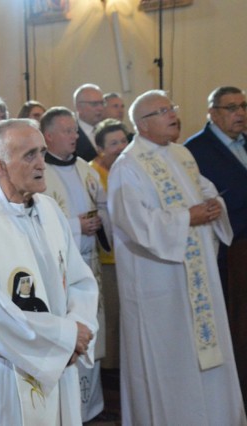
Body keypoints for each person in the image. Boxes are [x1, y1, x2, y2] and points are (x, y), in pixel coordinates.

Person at [108, 89, 246, 425]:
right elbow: (136, 225)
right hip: (159, 285)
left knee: (207, 357)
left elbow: (205, 193)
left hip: (196, 280)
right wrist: (188, 218)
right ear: (141, 124)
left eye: (172, 108)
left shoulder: (182, 154)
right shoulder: (128, 166)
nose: (173, 114)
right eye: (162, 111)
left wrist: (216, 207)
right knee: (169, 361)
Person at [0, 118, 99, 425]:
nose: (42, 164)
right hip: (7, 377)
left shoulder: (50, 211)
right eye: (29, 155)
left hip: (60, 363)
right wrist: (65, 337)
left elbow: (80, 281)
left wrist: (79, 326)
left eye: (42, 153)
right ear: (1, 167)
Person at [39, 106, 109, 422]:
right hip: (59, 271)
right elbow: (37, 224)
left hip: (89, 265)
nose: (74, 136)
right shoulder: (40, 172)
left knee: (90, 336)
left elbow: (105, 210)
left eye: (75, 131)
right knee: (70, 337)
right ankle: (69, 414)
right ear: (48, 136)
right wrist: (77, 225)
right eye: (67, 131)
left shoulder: (86, 169)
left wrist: (100, 218)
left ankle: (91, 409)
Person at [184, 85, 247, 404]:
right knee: (238, 324)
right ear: (212, 113)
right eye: (231, 108)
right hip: (231, 250)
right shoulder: (195, 150)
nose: (240, 113)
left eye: (243, 106)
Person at [88, 118, 128, 372]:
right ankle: (111, 375)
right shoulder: (92, 173)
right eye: (113, 143)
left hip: (131, 255)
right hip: (108, 260)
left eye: (124, 140)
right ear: (100, 149)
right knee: (111, 320)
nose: (121, 147)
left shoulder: (130, 168)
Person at [73, 83, 105, 161]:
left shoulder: (107, 130)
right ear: (79, 107)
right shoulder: (71, 134)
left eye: (102, 103)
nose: (100, 108)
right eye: (94, 104)